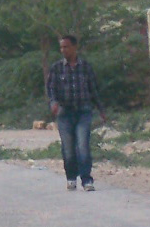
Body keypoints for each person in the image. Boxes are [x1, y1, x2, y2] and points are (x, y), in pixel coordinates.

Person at [46, 35, 107, 192]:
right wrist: (53, 103)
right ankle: (71, 177)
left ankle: (87, 179)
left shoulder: (85, 67)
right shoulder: (57, 68)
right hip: (64, 113)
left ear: (74, 47)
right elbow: (51, 89)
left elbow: (93, 89)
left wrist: (101, 109)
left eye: (66, 47)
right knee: (68, 149)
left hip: (83, 112)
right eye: (61, 47)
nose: (63, 50)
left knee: (83, 145)